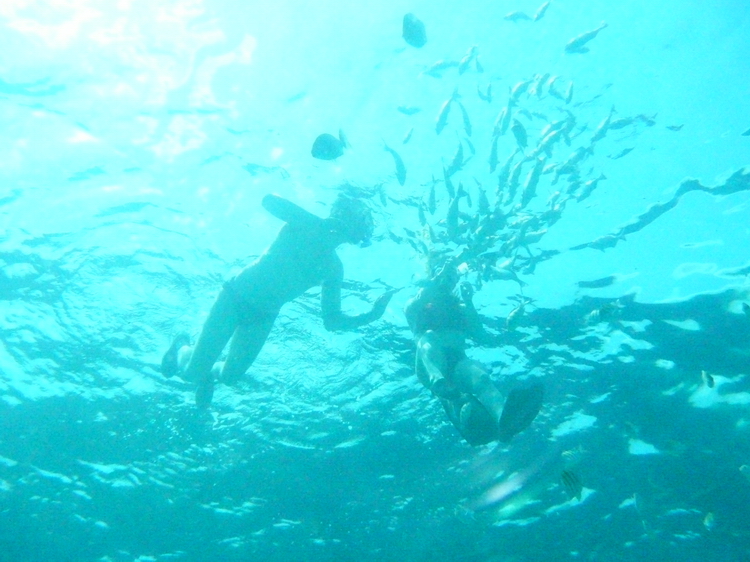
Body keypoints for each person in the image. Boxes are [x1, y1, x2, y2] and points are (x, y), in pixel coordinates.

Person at [162, 192, 395, 408]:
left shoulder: (333, 268)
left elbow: (331, 320)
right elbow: (268, 201)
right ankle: (182, 346)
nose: (353, 231)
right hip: (236, 296)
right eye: (356, 222)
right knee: (190, 374)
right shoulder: (306, 224)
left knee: (230, 377)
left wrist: (371, 315)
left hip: (263, 316)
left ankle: (208, 375)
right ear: (341, 214)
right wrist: (320, 223)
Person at [404, 260, 543, 446]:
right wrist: (437, 279)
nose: (447, 280)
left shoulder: (460, 309)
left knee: (482, 378)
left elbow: (481, 336)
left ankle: (503, 420)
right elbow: (422, 297)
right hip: (429, 366)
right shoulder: (416, 306)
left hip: (458, 363)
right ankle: (440, 384)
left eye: (452, 277)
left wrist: (469, 302)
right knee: (428, 337)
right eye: (443, 275)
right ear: (433, 276)